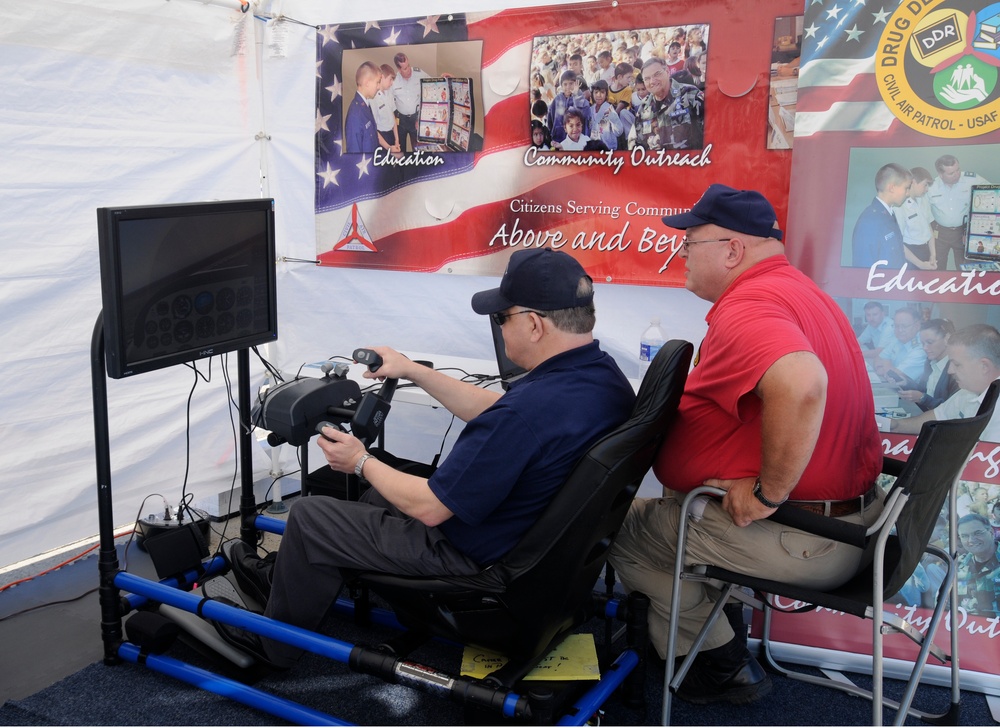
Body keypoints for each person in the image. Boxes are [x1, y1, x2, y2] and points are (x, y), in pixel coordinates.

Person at [212, 249, 636, 668]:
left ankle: (273, 647)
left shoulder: (527, 412)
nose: (501, 330)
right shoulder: (600, 379)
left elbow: (432, 507)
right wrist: (413, 369)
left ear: (534, 324)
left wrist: (359, 460)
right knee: (382, 493)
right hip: (534, 547)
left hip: (473, 559)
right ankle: (288, 582)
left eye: (501, 319)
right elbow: (498, 410)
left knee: (309, 515)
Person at [608, 184, 883, 705]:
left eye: (689, 244)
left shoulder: (751, 305)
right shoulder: (801, 292)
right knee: (673, 513)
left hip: (804, 535)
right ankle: (714, 643)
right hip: (846, 527)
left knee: (612, 525)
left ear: (732, 250)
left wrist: (767, 494)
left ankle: (719, 663)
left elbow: (802, 384)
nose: (680, 255)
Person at [884, 323, 1000, 443]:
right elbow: (937, 417)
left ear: (984, 366)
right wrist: (896, 425)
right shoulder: (966, 392)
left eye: (957, 364)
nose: (950, 371)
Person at [928, 154, 990, 271]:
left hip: (963, 232)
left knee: (964, 268)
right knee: (937, 266)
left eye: (958, 170)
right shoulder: (932, 187)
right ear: (940, 174)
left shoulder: (972, 179)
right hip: (939, 232)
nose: (957, 175)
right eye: (951, 173)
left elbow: (993, 193)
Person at [632, 57, 704, 151]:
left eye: (657, 74)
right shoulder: (644, 107)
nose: (652, 81)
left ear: (667, 71)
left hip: (689, 163)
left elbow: (712, 134)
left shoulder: (690, 95)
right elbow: (639, 145)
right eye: (647, 79)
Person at [851, 163, 911, 269]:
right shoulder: (869, 221)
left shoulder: (889, 213)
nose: (908, 193)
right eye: (906, 188)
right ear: (892, 188)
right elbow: (863, 268)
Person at [897, 319, 958, 411]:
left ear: (947, 339)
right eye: (922, 343)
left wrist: (923, 399)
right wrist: (906, 383)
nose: (925, 348)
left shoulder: (955, 369)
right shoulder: (929, 362)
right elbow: (924, 390)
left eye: (929, 342)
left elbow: (951, 410)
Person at [956, 514, 1000, 618]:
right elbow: (943, 604)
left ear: (991, 532)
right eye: (964, 536)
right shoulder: (958, 566)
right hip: (967, 630)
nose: (971, 540)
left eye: (977, 533)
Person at [893, 166, 937, 270]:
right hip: (911, 256)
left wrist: (933, 255)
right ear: (913, 182)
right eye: (925, 185)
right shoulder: (900, 206)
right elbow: (898, 243)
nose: (927, 189)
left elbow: (929, 228)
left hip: (926, 250)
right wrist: (920, 264)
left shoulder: (923, 199)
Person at [873, 307, 928, 384]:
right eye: (896, 326)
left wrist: (884, 366)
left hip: (912, 393)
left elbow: (896, 375)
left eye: (904, 326)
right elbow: (878, 358)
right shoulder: (897, 340)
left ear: (917, 326)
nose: (900, 330)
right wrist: (884, 368)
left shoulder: (921, 349)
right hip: (893, 386)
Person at [390, 52, 430, 153]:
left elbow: (432, 84)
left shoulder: (419, 73)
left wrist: (443, 78)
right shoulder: (394, 81)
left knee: (419, 150)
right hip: (401, 120)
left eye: (408, 66)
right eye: (404, 68)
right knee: (400, 151)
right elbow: (389, 102)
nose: (408, 70)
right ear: (399, 69)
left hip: (416, 118)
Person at [344, 61, 380, 154]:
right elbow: (354, 154)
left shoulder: (366, 104)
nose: (379, 87)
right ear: (367, 83)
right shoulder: (355, 115)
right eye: (377, 82)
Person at [371, 64, 401, 158]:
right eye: (390, 79)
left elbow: (393, 117)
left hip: (392, 134)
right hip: (381, 138)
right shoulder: (373, 97)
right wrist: (388, 147)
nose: (392, 83)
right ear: (382, 77)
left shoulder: (389, 93)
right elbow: (373, 128)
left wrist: (397, 139)